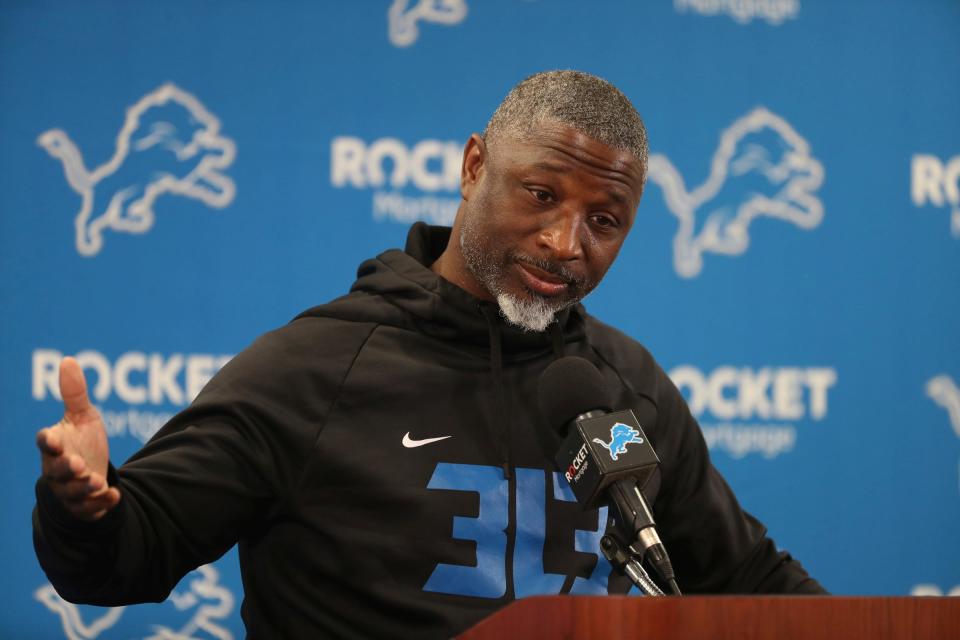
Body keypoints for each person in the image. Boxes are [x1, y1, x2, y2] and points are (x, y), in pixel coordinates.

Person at [34, 70, 825, 639]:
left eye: (605, 220)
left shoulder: (626, 386)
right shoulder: (317, 369)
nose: (564, 244)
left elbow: (745, 580)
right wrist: (86, 510)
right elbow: (121, 558)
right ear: (474, 166)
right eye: (542, 195)